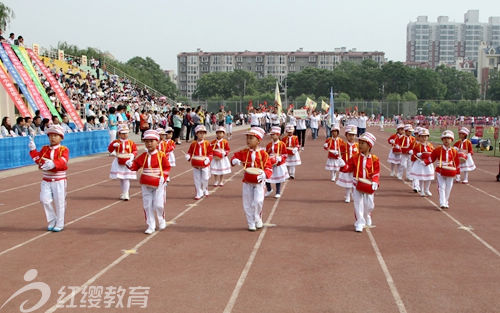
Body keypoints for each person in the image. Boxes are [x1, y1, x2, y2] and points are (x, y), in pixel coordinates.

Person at [126, 129, 171, 234]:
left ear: (157, 141)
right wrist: (129, 164)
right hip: (145, 183)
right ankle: (151, 225)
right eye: (147, 141)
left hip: (158, 183)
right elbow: (135, 166)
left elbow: (166, 167)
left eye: (152, 141)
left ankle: (161, 219)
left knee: (158, 204)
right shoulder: (143, 156)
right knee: (147, 205)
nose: (149, 143)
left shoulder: (161, 155)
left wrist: (163, 177)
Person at [230, 127, 273, 231]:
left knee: (258, 201)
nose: (248, 140)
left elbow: (269, 168)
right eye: (247, 138)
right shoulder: (244, 152)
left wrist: (265, 174)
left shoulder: (263, 154)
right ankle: (251, 222)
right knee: (247, 203)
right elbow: (234, 158)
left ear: (258, 140)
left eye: (251, 138)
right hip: (247, 182)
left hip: (259, 182)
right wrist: (234, 160)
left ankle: (257, 218)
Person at [28, 125, 69, 232]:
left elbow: (64, 161)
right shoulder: (45, 149)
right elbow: (39, 160)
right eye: (50, 135)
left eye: (55, 135)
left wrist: (54, 163)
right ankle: (52, 220)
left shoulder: (63, 149)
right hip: (46, 179)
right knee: (44, 200)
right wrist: (33, 150)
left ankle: (60, 223)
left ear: (61, 137)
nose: (52, 138)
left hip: (59, 180)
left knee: (59, 202)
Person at [344, 132, 380, 233]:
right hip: (357, 184)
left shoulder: (374, 159)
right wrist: (343, 166)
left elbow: (376, 172)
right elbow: (348, 168)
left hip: (369, 185)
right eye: (359, 143)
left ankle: (367, 215)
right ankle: (359, 222)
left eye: (363, 143)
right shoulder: (355, 157)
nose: (360, 145)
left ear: (369, 146)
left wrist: (375, 182)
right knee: (358, 203)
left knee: (370, 204)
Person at [425, 130, 460, 209]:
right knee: (441, 186)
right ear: (442, 140)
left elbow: (456, 162)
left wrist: (458, 173)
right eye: (444, 138)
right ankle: (442, 202)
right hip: (440, 170)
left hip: (450, 170)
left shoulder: (454, 151)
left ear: (451, 140)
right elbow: (432, 158)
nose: (446, 140)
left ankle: (446, 201)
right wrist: (426, 162)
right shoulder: (438, 149)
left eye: (448, 138)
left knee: (449, 187)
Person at [108, 125, 137, 200]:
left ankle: (126, 193)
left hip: (127, 162)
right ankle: (123, 192)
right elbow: (110, 150)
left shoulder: (131, 142)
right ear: (119, 134)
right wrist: (113, 145)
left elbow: (135, 150)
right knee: (121, 178)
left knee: (126, 178)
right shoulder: (116, 142)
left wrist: (132, 156)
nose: (124, 135)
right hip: (119, 161)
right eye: (123, 133)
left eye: (126, 133)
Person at [185, 125, 213, 200]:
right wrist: (188, 156)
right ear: (196, 134)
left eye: (203, 133)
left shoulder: (207, 143)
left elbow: (210, 153)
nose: (202, 135)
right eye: (200, 133)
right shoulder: (193, 144)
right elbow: (190, 152)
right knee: (197, 179)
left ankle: (205, 189)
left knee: (205, 178)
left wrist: (208, 159)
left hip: (205, 164)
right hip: (196, 165)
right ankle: (198, 192)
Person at [336, 125, 359, 203]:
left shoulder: (358, 146)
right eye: (350, 135)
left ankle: (354, 195)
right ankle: (347, 195)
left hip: (355, 167)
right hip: (346, 167)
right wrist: (340, 161)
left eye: (353, 135)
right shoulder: (343, 145)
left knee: (355, 183)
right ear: (346, 135)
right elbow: (339, 155)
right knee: (348, 183)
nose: (352, 137)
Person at [410, 128, 434, 197]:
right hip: (420, 163)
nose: (424, 138)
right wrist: (416, 154)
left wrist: (430, 155)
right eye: (422, 136)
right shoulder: (417, 146)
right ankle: (422, 190)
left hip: (428, 163)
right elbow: (414, 154)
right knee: (422, 177)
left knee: (429, 177)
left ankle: (427, 189)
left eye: (425, 136)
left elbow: (433, 153)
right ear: (419, 137)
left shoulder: (430, 145)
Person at [265, 126, 288, 198]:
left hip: (278, 164)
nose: (271, 136)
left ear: (278, 135)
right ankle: (269, 189)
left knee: (278, 177)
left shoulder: (282, 144)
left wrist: (280, 158)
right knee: (266, 176)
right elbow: (266, 153)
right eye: (271, 134)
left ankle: (278, 191)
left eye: (273, 134)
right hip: (270, 163)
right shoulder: (269, 145)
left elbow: (285, 154)